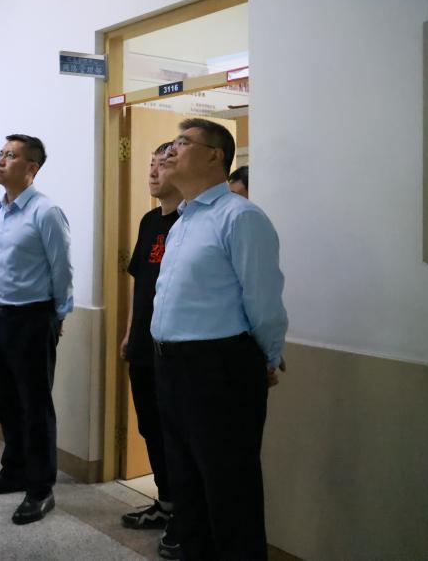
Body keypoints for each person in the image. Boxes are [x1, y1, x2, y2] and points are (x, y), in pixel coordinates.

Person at [152, 118, 287, 560]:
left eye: (183, 142)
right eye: (171, 143)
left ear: (215, 155)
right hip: (172, 365)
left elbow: (263, 300)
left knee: (229, 491)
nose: (170, 151)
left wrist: (266, 358)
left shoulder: (240, 216)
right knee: (188, 489)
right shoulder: (183, 221)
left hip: (219, 368)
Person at [0, 134, 73, 526]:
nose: (0, 160)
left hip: (32, 318)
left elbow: (62, 268)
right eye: (0, 153)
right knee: (6, 401)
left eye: (10, 155)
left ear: (31, 167)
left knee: (34, 406)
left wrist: (58, 316)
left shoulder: (46, 212)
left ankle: (40, 488)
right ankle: (13, 470)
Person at [119, 142, 182, 559]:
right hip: (142, 344)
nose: (154, 172)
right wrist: (129, 332)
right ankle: (166, 503)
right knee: (150, 429)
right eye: (151, 164)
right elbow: (140, 284)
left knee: (175, 433)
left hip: (173, 350)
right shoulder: (148, 221)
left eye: (163, 164)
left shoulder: (189, 221)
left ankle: (185, 517)